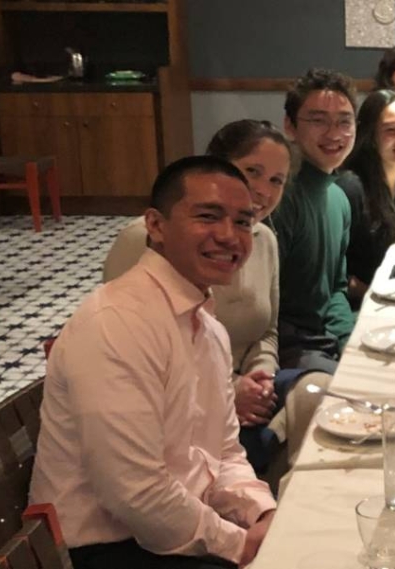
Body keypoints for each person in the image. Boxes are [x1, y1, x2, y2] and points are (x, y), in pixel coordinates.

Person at [31, 156, 276, 569]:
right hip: (99, 549)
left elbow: (224, 453)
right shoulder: (117, 324)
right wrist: (239, 545)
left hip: (170, 527)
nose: (229, 236)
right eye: (208, 216)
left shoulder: (207, 326)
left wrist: (262, 515)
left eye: (242, 222)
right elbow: (135, 493)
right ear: (156, 225)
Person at [102, 120, 329, 478]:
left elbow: (266, 331)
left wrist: (261, 377)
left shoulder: (264, 241)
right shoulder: (146, 238)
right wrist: (229, 390)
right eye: (251, 171)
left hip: (247, 390)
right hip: (179, 404)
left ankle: (283, 503)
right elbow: (129, 355)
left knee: (320, 393)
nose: (262, 190)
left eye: (276, 180)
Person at [269, 68, 358, 374]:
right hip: (288, 345)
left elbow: (336, 288)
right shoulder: (280, 198)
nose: (334, 134)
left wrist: (350, 341)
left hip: (325, 337)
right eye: (318, 120)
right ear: (290, 126)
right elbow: (262, 309)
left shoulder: (338, 197)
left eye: (344, 122)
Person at [337, 90, 395, 307]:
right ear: (371, 137)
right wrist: (378, 294)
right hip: (363, 307)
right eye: (391, 130)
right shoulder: (351, 188)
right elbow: (337, 278)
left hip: (393, 293)